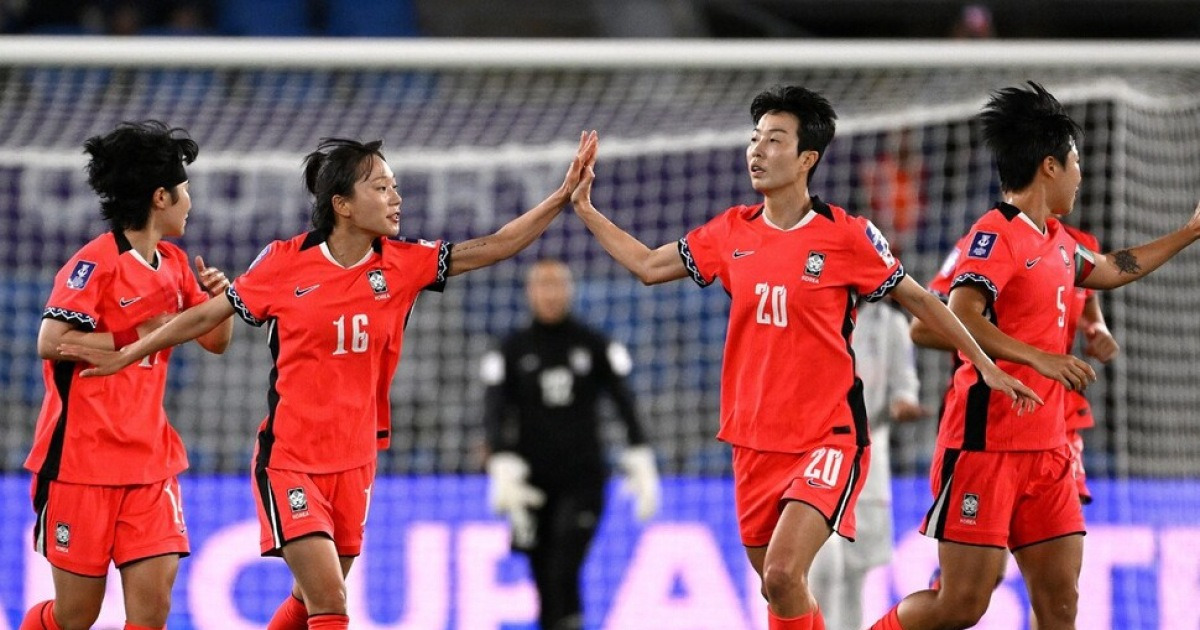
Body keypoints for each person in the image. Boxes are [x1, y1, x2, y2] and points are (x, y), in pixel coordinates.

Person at [60, 132, 599, 630]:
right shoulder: (283, 262)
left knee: (309, 597)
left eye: (395, 187)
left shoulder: (404, 264)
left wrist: (560, 197)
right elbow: (206, 316)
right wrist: (132, 350)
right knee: (331, 604)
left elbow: (495, 245)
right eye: (381, 187)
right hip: (290, 460)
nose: (395, 198)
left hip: (356, 458)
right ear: (341, 205)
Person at [566, 84, 1039, 630]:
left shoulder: (848, 235)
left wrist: (982, 361)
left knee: (784, 575)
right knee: (780, 591)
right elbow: (649, 266)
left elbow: (918, 298)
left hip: (827, 437)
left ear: (807, 158)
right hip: (752, 441)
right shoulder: (731, 231)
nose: (757, 151)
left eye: (774, 140)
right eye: (754, 139)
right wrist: (586, 209)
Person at [868, 81, 1200, 630]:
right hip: (985, 446)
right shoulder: (994, 236)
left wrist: (1189, 232)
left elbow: (1114, 268)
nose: (1080, 174)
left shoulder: (1062, 242)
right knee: (962, 603)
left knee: (1061, 604)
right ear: (1050, 166)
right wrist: (1038, 359)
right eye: (1075, 162)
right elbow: (960, 312)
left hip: (1048, 453)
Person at [20, 120, 234, 630]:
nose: (190, 201)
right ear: (161, 197)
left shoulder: (178, 265)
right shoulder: (94, 264)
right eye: (184, 191)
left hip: (150, 465)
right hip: (82, 465)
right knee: (75, 616)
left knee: (153, 608)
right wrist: (132, 333)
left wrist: (217, 300)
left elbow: (215, 344)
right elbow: (50, 342)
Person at [481, 258, 660, 630]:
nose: (550, 293)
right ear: (530, 292)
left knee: (565, 565)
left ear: (570, 289)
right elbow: (494, 410)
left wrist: (640, 452)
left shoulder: (593, 344)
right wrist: (500, 461)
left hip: (584, 478)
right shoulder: (511, 349)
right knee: (544, 578)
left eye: (557, 284)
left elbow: (624, 400)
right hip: (532, 483)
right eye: (542, 285)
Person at [808, 297, 926, 630]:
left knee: (854, 576)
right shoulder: (819, 308)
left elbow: (905, 387)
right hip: (818, 457)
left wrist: (903, 405)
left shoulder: (892, 324)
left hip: (869, 464)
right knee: (821, 563)